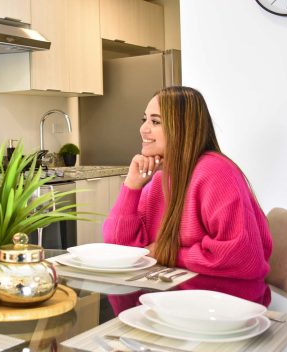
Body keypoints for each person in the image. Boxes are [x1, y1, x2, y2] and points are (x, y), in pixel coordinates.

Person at [103, 86, 272, 280]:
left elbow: (242, 258)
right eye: (145, 119)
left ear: (182, 126)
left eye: (155, 121)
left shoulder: (215, 172)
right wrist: (131, 186)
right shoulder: (160, 179)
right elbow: (119, 249)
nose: (143, 129)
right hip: (178, 297)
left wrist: (164, 252)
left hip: (224, 302)